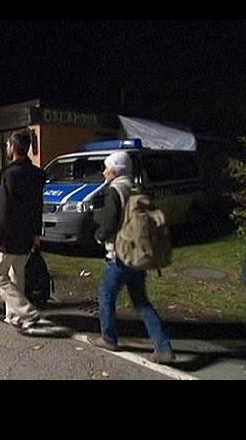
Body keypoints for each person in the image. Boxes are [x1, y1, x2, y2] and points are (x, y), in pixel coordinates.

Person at [91, 151, 175, 364]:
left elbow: (110, 223)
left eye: (107, 167)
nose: (104, 171)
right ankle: (163, 347)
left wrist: (98, 236)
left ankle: (109, 338)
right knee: (141, 301)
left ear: (115, 169)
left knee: (106, 296)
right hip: (136, 254)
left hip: (119, 255)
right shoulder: (135, 187)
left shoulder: (114, 191)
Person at [0, 129, 51, 333]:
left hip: (9, 236)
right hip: (26, 236)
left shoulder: (10, 174)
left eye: (7, 145)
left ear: (13, 148)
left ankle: (26, 311)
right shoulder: (35, 174)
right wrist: (36, 235)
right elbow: (37, 206)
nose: (7, 148)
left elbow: (4, 211)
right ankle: (14, 316)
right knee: (17, 276)